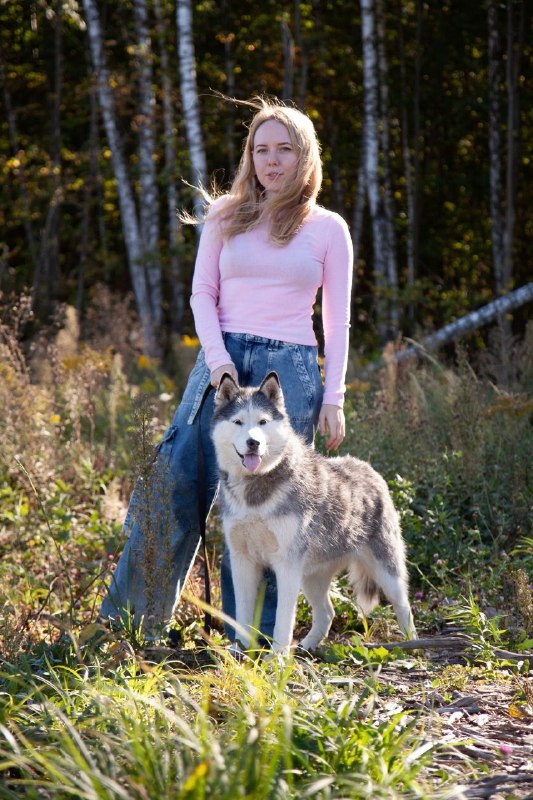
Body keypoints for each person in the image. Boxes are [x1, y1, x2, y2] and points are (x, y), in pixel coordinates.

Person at [99, 98, 353, 641]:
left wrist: (334, 395)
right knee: (174, 484)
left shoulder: (329, 229)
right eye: (262, 149)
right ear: (250, 157)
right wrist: (219, 365)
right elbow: (202, 293)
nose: (272, 160)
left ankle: (254, 646)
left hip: (289, 371)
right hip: (223, 366)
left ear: (305, 156)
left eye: (285, 149)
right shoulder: (225, 214)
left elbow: (338, 321)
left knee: (271, 511)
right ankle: (129, 628)